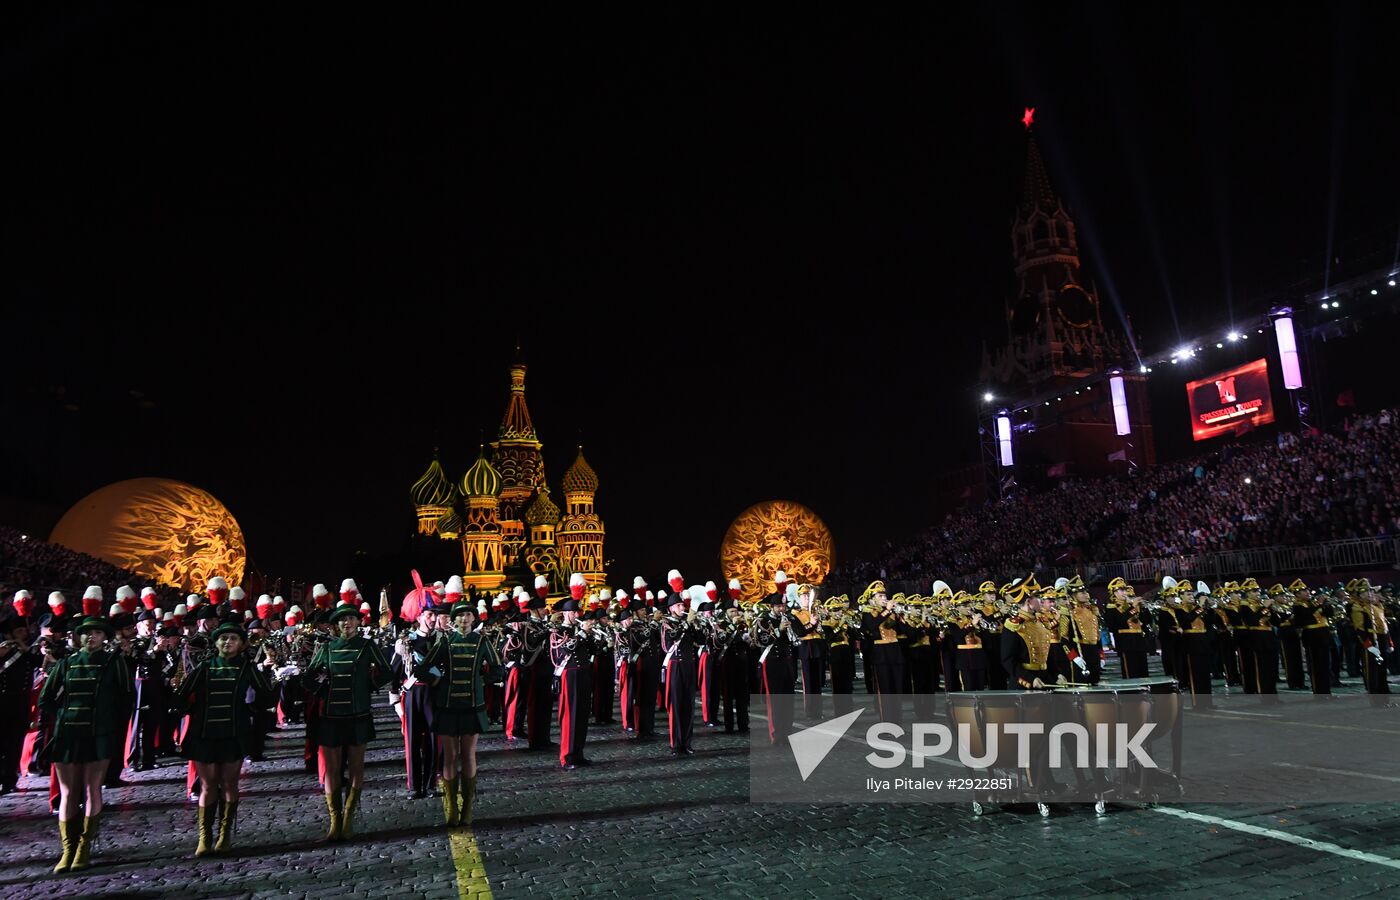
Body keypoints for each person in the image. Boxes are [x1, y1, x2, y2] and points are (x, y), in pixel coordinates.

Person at [38, 612, 133, 873]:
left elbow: (126, 700)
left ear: (105, 638)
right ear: (79, 637)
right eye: (86, 633)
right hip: (68, 734)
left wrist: (109, 725)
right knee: (68, 793)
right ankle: (67, 848)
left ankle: (84, 847)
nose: (91, 637)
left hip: (99, 734)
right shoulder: (66, 663)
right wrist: (65, 713)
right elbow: (45, 700)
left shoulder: (114, 662)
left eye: (98, 633)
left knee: (93, 789)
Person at [178, 622, 274, 856]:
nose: (228, 642)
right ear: (216, 642)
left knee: (230, 783)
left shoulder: (247, 668)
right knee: (208, 785)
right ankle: (204, 836)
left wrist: (250, 711)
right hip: (205, 732)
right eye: (223, 638)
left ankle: (224, 834)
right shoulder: (205, 666)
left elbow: (266, 697)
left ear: (241, 644)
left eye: (233, 638)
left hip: (234, 733)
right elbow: (181, 696)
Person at [302, 599, 393, 841]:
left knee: (356, 766)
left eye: (351, 618)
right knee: (331, 769)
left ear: (357, 622)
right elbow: (309, 677)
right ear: (335, 625)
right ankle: (334, 820)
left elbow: (386, 671)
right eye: (342, 619)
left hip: (358, 714)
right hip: (331, 715)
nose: (347, 622)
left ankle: (349, 819)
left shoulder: (367, 646)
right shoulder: (327, 648)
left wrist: (367, 686)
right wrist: (324, 691)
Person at [422, 599, 500, 825]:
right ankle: (451, 808)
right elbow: (423, 667)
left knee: (467, 755)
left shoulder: (482, 641)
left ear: (474, 619)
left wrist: (479, 681)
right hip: (447, 706)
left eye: (468, 615)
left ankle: (466, 808)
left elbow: (497, 669)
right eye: (459, 615)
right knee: (449, 756)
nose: (464, 619)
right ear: (453, 619)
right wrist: (438, 680)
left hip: (471, 706)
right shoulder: (446, 641)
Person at [392, 596, 439, 799]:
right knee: (412, 741)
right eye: (429, 615)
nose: (433, 619)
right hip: (412, 694)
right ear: (419, 617)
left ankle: (430, 785)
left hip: (434, 693)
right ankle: (414, 786)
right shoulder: (406, 641)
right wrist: (395, 701)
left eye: (435, 615)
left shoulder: (440, 639)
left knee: (433, 740)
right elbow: (395, 671)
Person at [550, 578, 596, 770]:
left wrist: (592, 635)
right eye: (575, 612)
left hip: (584, 674)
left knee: (582, 715)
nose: (578, 614)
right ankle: (567, 756)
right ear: (567, 613)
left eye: (578, 611)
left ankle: (578, 753)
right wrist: (583, 634)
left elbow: (593, 650)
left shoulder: (580, 630)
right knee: (571, 716)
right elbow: (565, 650)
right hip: (570, 676)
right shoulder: (558, 631)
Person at [0, 614, 40, 795]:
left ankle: (10, 779)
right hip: (3, 700)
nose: (23, 634)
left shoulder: (27, 650)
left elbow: (39, 662)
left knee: (16, 742)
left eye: (24, 630)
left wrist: (25, 649)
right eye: (19, 631)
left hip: (21, 700)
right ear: (8, 634)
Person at [662, 587, 701, 756]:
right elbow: (668, 645)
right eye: (679, 606)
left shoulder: (688, 622)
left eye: (682, 605)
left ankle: (687, 742)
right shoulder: (666, 624)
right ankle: (676, 744)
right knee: (676, 705)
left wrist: (698, 626)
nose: (682, 608)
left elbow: (701, 641)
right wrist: (687, 623)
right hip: (675, 665)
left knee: (689, 706)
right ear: (671, 608)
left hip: (689, 665)